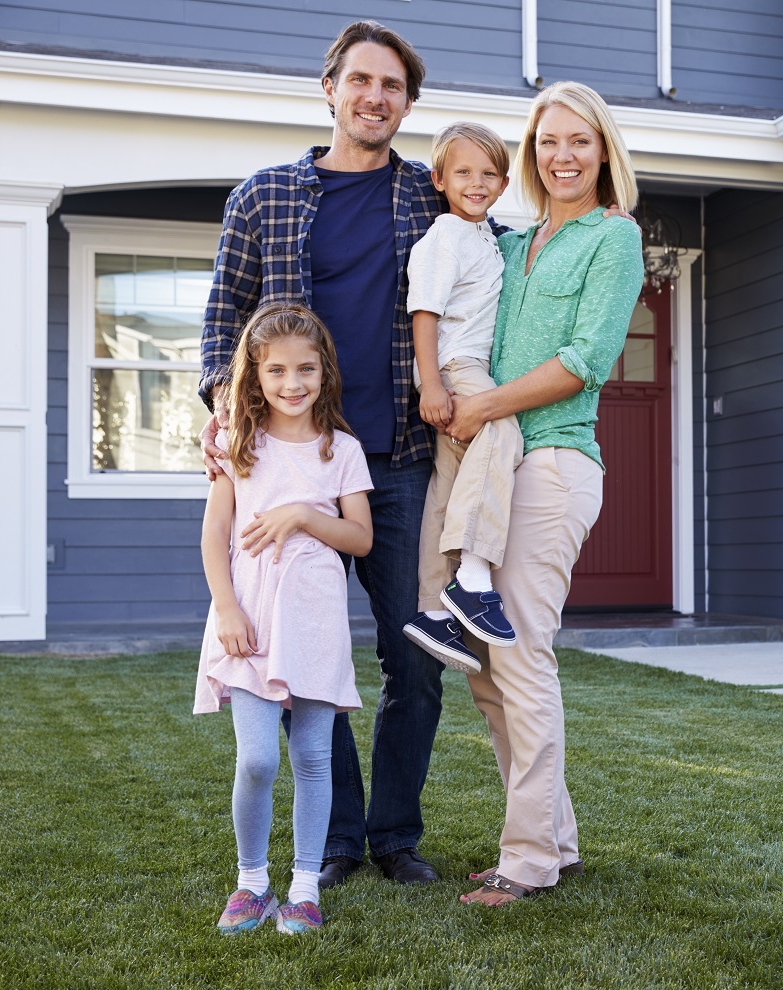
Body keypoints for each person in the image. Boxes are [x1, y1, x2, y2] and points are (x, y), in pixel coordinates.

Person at [199, 20, 459, 887]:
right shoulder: (264, 196)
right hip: (291, 463)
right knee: (308, 652)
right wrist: (218, 410)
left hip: (400, 458)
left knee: (413, 653)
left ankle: (394, 834)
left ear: (407, 103)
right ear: (331, 88)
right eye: (361, 81)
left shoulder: (429, 199)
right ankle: (337, 837)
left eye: (392, 85)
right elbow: (221, 327)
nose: (375, 97)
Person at [437, 82, 645, 906]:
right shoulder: (513, 241)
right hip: (497, 463)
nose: (563, 155)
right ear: (532, 152)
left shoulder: (614, 238)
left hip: (554, 463)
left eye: (579, 141)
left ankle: (525, 861)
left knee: (520, 654)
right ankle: (555, 839)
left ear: (603, 152)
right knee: (488, 666)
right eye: (549, 141)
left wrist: (480, 405)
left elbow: (584, 359)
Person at [195, 303, 373, 935]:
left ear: (324, 370)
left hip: (315, 621)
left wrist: (301, 513)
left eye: (306, 369)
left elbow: (359, 538)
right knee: (258, 762)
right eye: (276, 371)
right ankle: (251, 883)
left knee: (314, 757)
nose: (292, 384)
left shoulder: (342, 450)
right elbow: (215, 536)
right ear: (255, 375)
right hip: (251, 620)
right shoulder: (239, 446)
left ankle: (303, 887)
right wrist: (226, 607)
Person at [402, 122, 525, 671]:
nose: (476, 183)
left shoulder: (487, 237)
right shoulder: (445, 237)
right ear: (440, 179)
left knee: (447, 485)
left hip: (461, 367)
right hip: (456, 365)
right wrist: (432, 383)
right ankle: (473, 576)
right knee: (501, 431)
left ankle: (431, 610)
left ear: (501, 184)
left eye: (489, 174)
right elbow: (423, 312)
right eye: (464, 173)